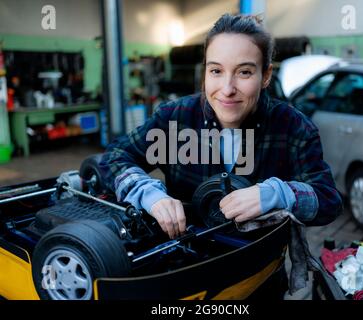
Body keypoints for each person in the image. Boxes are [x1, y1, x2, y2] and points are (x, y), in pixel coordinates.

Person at [99, 13, 343, 299]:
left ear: (265, 76)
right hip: (185, 278)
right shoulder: (175, 119)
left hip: (259, 278)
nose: (227, 90)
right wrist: (148, 193)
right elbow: (114, 158)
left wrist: (280, 193)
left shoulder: (292, 128)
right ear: (205, 72)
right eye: (216, 71)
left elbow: (328, 201)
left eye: (244, 72)